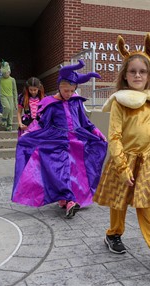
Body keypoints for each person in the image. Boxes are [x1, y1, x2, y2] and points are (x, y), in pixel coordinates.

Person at [93, 33, 150, 269]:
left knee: (149, 205)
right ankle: (113, 234)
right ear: (125, 75)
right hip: (123, 160)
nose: (137, 75)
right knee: (119, 203)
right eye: (132, 71)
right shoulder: (121, 103)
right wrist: (122, 167)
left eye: (142, 71)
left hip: (148, 162)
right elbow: (114, 137)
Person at [12, 60, 108, 218]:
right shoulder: (50, 103)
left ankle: (65, 198)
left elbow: (85, 122)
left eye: (72, 91)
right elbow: (41, 123)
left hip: (76, 140)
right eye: (66, 90)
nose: (69, 94)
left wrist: (98, 132)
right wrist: (28, 133)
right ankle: (70, 200)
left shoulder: (76, 102)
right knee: (61, 168)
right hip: (55, 141)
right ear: (59, 87)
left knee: (74, 170)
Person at [0, 61, 18, 131]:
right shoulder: (0, 78)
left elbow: (15, 91)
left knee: (11, 111)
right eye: (4, 73)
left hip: (11, 97)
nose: (6, 74)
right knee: (7, 108)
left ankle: (9, 125)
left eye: (7, 72)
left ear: (9, 71)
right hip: (3, 96)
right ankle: (4, 119)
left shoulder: (12, 80)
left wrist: (15, 102)